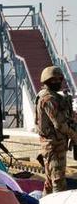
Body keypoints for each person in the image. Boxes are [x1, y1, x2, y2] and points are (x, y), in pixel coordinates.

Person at [35, 66, 77, 194]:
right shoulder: (48, 98)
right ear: (48, 81)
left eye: (60, 79)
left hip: (54, 145)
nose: (59, 82)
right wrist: (75, 135)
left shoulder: (52, 96)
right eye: (56, 80)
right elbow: (59, 124)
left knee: (49, 182)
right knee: (58, 183)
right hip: (54, 147)